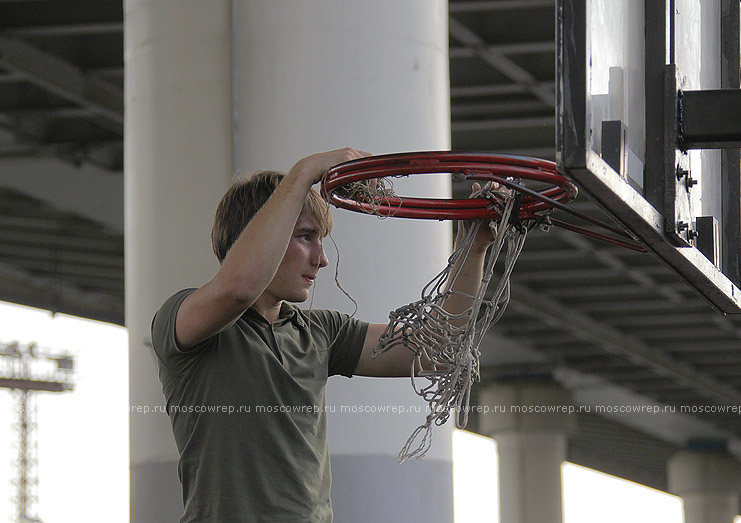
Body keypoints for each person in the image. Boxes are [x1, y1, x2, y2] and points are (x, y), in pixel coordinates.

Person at [151, 147, 497, 522]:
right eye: (305, 236)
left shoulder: (319, 331)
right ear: (259, 234)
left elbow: (434, 349)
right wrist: (303, 174)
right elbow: (239, 288)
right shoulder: (184, 317)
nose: (322, 257)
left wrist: (472, 250)